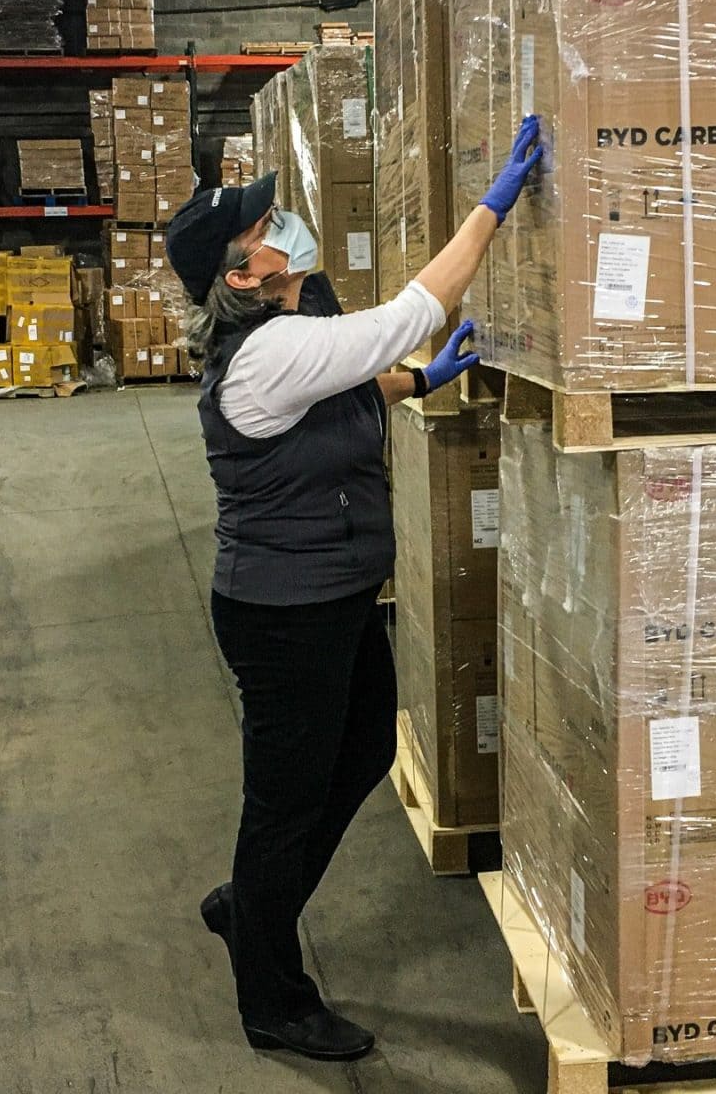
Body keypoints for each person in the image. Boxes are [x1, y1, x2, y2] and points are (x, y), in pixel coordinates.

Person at [163, 115, 543, 1062]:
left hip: (327, 597)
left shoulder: (285, 341)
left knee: (367, 743)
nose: (281, 226)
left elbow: (344, 390)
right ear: (240, 276)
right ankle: (272, 994)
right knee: (283, 801)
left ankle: (251, 902)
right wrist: (493, 209)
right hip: (283, 614)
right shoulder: (266, 351)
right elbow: (405, 314)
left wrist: (416, 384)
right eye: (262, 231)